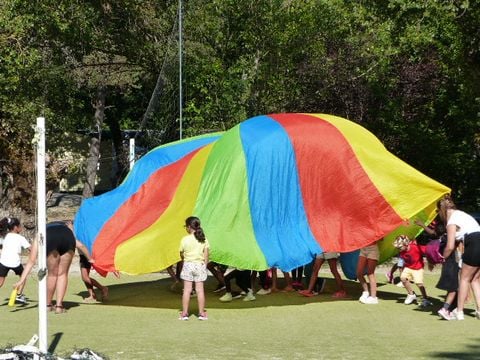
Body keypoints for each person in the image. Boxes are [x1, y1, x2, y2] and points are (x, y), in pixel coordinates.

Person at [14, 220, 76, 314]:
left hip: (50, 236)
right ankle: (59, 306)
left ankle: (48, 305)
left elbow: (31, 261)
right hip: (68, 235)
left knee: (52, 275)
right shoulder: (68, 228)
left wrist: (21, 281)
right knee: (62, 274)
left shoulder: (41, 232)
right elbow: (80, 244)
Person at [436, 195, 480, 320]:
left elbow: (449, 246)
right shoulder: (462, 214)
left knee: (464, 279)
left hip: (474, 242)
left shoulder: (451, 221)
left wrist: (442, 257)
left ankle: (459, 312)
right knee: (475, 279)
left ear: (441, 210)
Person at [178, 216, 209, 320]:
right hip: (199, 265)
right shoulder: (203, 239)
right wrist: (205, 266)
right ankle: (201, 313)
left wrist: (185, 259)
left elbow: (181, 254)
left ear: (188, 227)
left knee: (186, 290)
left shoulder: (184, 239)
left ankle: (185, 314)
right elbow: (206, 255)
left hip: (188, 265)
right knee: (200, 291)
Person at [393, 235, 432, 308]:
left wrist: (430, 262)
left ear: (406, 244)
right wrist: (401, 272)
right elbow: (400, 262)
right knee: (403, 278)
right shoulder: (401, 252)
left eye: (400, 247)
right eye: (398, 247)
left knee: (419, 283)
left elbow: (427, 251)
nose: (398, 248)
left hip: (418, 268)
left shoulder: (415, 247)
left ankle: (425, 298)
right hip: (408, 267)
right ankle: (411, 295)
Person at [0, 217, 31, 304]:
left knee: (0, 282)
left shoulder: (5, 236)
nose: (21, 227)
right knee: (23, 277)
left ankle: (19, 295)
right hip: (15, 263)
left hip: (3, 262)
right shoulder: (20, 238)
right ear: (15, 227)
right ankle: (19, 295)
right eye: (20, 225)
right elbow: (31, 249)